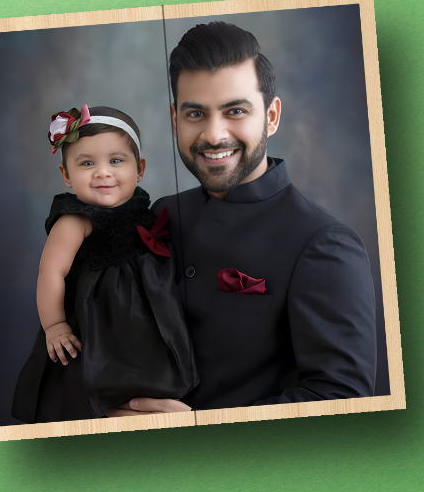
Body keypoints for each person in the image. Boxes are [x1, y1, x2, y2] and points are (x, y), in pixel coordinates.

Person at [130, 21, 377, 412]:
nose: (214, 135)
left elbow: (341, 399)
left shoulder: (325, 242)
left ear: (272, 116)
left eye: (236, 111)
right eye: (196, 114)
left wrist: (198, 429)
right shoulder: (160, 214)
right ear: (175, 119)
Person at [11, 105, 198, 423]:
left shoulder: (142, 206)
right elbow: (51, 271)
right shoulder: (75, 219)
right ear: (66, 175)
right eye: (87, 163)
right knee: (98, 381)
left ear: (138, 169)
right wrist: (54, 325)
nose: (103, 172)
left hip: (143, 314)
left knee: (154, 367)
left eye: (116, 160)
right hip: (100, 318)